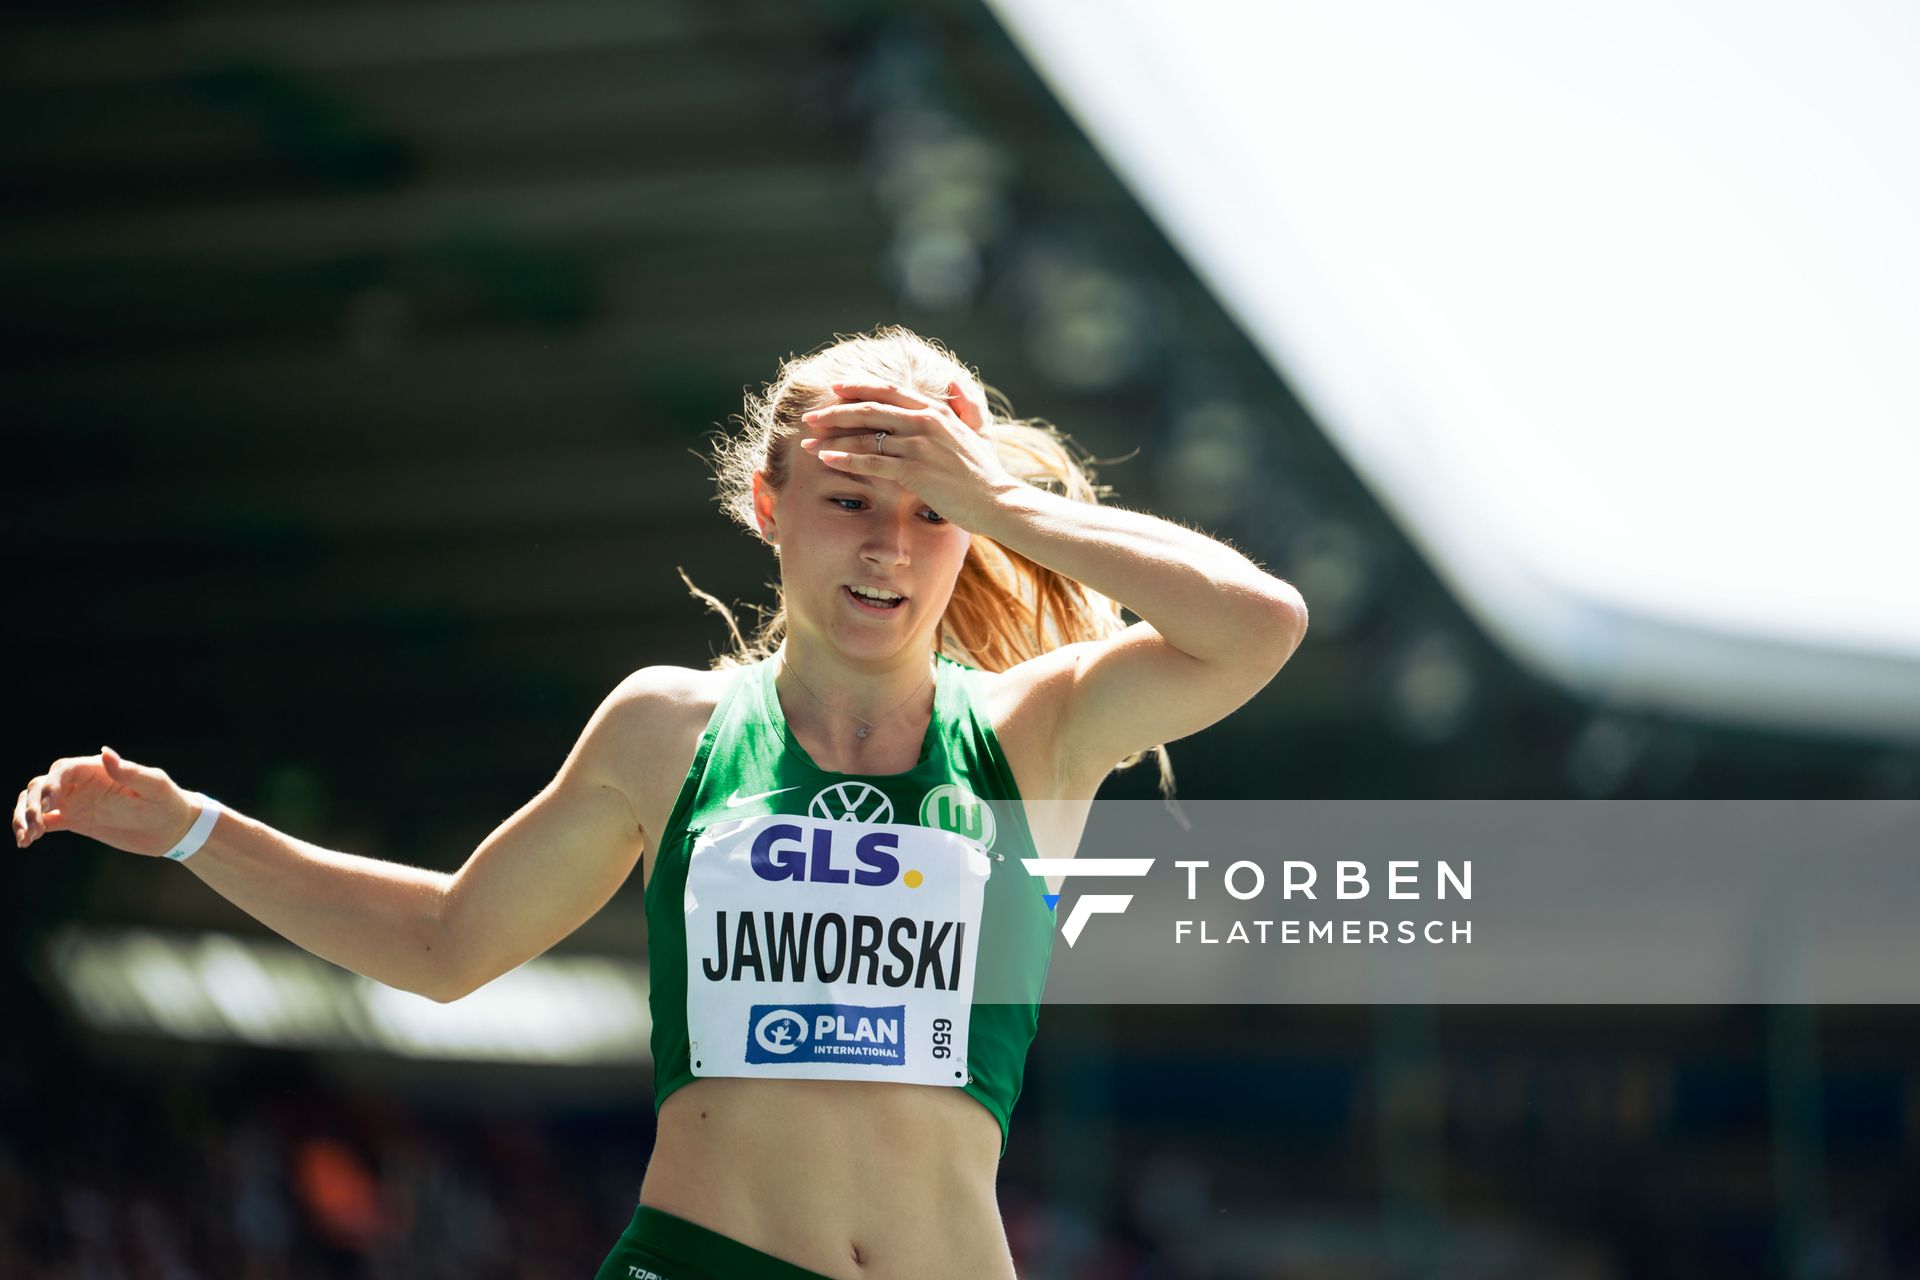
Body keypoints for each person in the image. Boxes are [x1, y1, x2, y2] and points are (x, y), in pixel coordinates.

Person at [13, 325, 1307, 1279]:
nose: (886, 547)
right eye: (849, 501)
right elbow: (446, 944)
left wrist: (1007, 498)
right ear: (769, 505)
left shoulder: (1036, 736)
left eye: (930, 514)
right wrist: (191, 828)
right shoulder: (668, 729)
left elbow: (1258, 626)